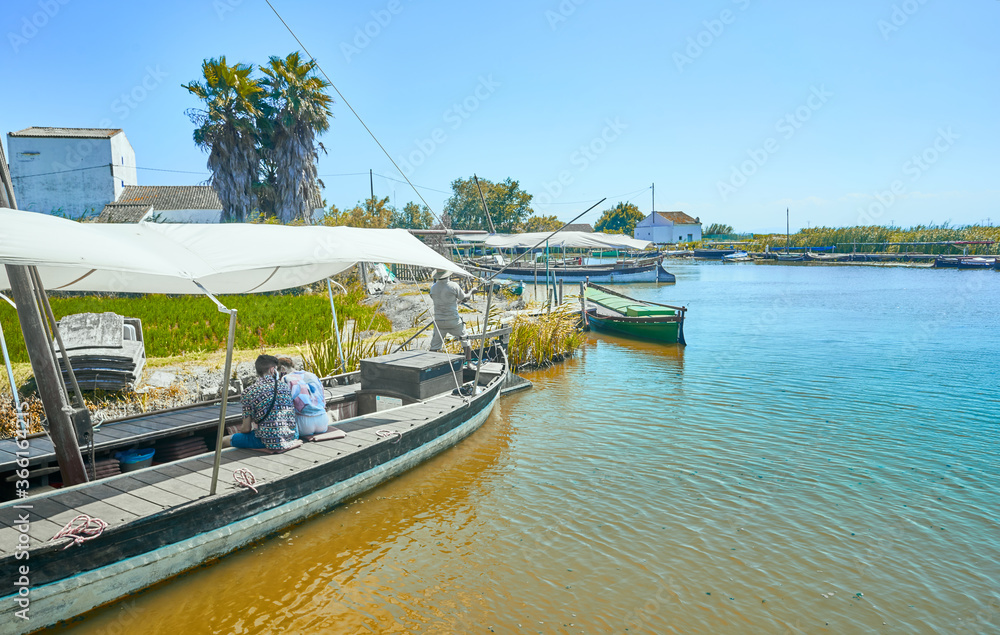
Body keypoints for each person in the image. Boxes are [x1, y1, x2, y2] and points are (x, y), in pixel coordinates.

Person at [224, 354, 299, 451]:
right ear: (273, 370)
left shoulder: (248, 392)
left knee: (224, 440)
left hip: (266, 441)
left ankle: (262, 449)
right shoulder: (285, 387)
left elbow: (246, 429)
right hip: (292, 436)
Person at [276, 357, 329, 440]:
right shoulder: (312, 375)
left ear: (283, 368)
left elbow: (284, 405)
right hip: (323, 422)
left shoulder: (286, 378)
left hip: (304, 424)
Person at [429, 268, 472, 362]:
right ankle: (469, 363)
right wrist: (472, 291)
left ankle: (430, 366)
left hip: (439, 321)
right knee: (465, 340)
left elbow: (441, 300)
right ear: (448, 275)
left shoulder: (433, 288)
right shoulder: (453, 285)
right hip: (453, 321)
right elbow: (465, 298)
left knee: (434, 346)